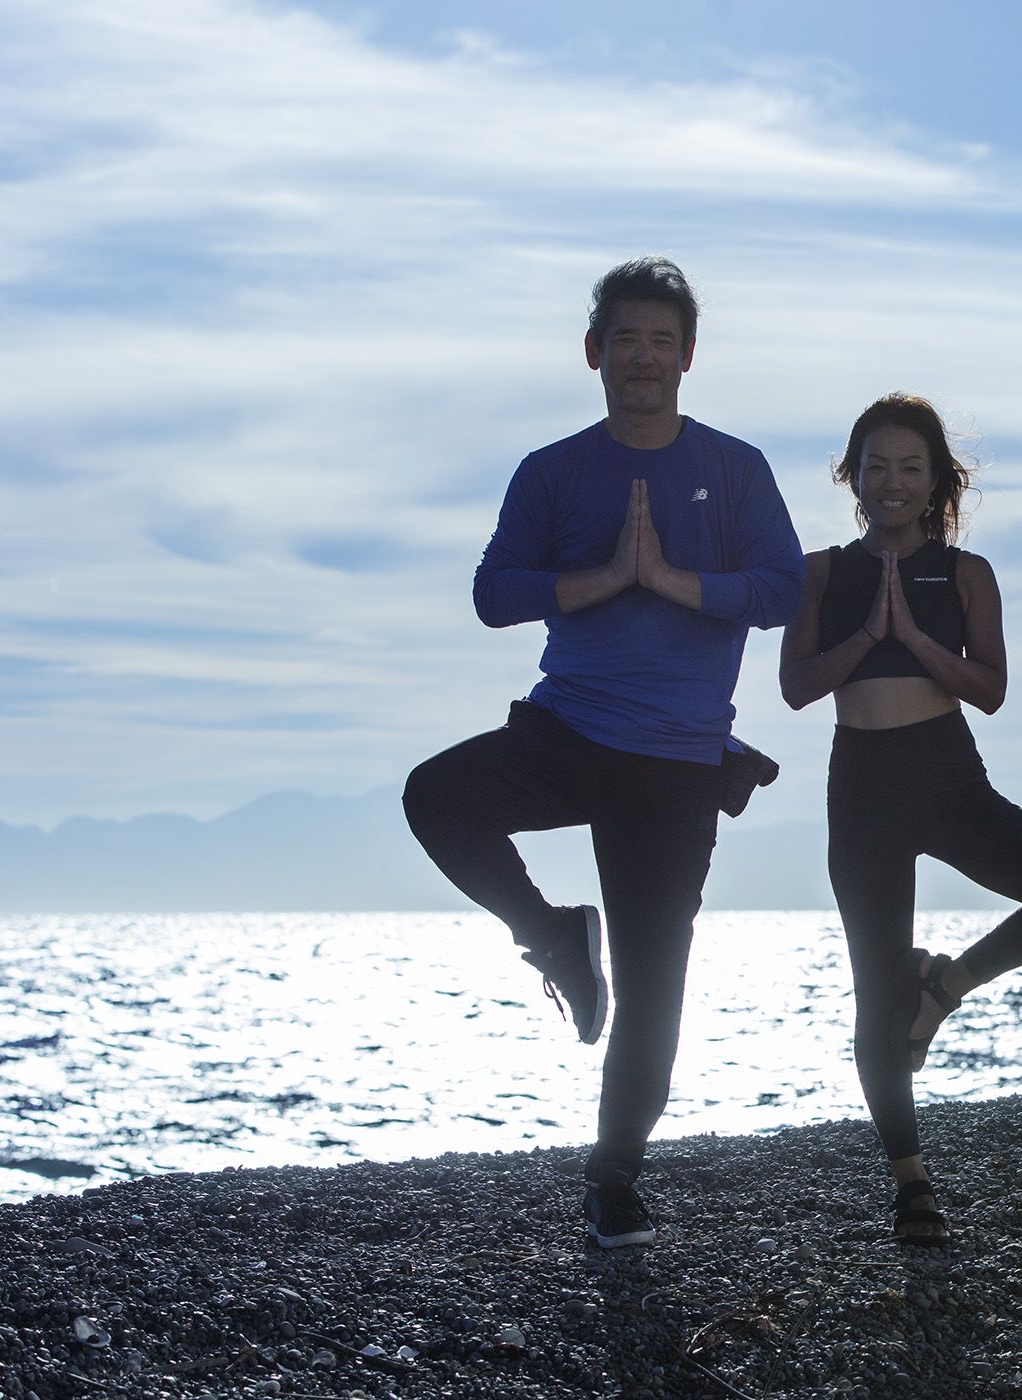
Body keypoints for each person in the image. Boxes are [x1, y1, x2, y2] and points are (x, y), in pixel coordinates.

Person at [403, 257, 803, 1249]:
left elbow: (784, 590)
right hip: (567, 728)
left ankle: (612, 1176)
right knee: (436, 796)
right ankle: (553, 940)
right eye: (626, 338)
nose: (644, 356)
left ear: (689, 357)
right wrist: (599, 578)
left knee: (656, 983)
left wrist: (668, 578)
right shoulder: (554, 471)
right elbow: (495, 593)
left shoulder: (737, 468)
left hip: (675, 761)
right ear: (595, 354)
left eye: (663, 340)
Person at [779, 393, 1022, 1245]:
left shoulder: (968, 574)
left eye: (911, 468)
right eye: (877, 466)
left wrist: (915, 638)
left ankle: (949, 984)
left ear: (937, 481)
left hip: (948, 778)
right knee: (872, 1001)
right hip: (860, 792)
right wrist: (868, 633)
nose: (892, 483)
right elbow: (795, 687)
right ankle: (911, 1183)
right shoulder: (819, 572)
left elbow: (992, 689)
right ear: (851, 475)